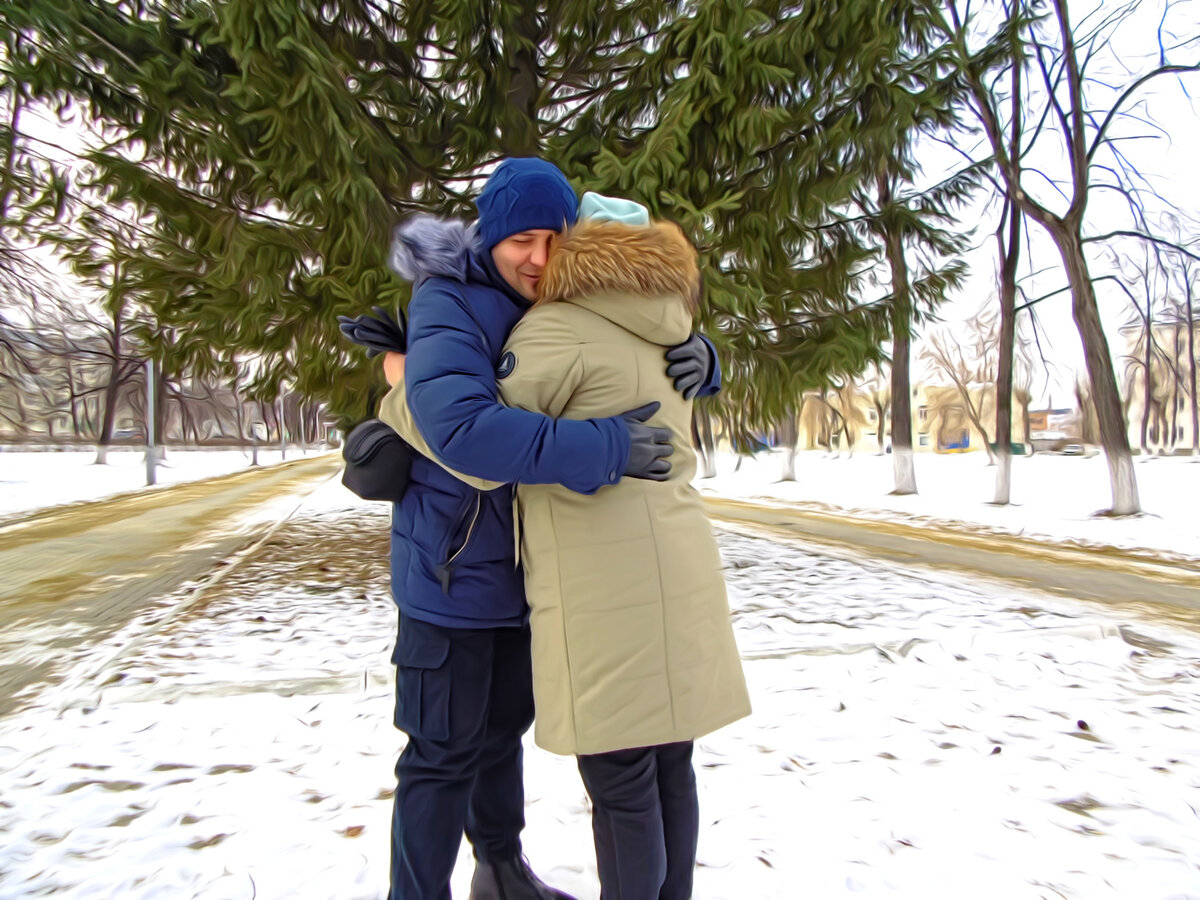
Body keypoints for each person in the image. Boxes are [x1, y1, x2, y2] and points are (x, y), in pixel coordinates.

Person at [374, 159, 720, 900]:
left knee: (498, 741)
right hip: (453, 566)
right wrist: (605, 448)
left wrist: (704, 357)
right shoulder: (450, 301)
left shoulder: (558, 306)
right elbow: (465, 431)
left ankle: (500, 873)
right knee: (440, 757)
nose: (535, 256)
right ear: (492, 237)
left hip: (526, 576)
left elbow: (616, 354)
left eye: (550, 238)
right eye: (519, 240)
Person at [495, 194, 751, 899]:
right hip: (681, 571)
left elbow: (476, 441)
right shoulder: (672, 328)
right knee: (670, 766)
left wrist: (398, 394)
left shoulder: (556, 330)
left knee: (620, 783)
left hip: (604, 595)